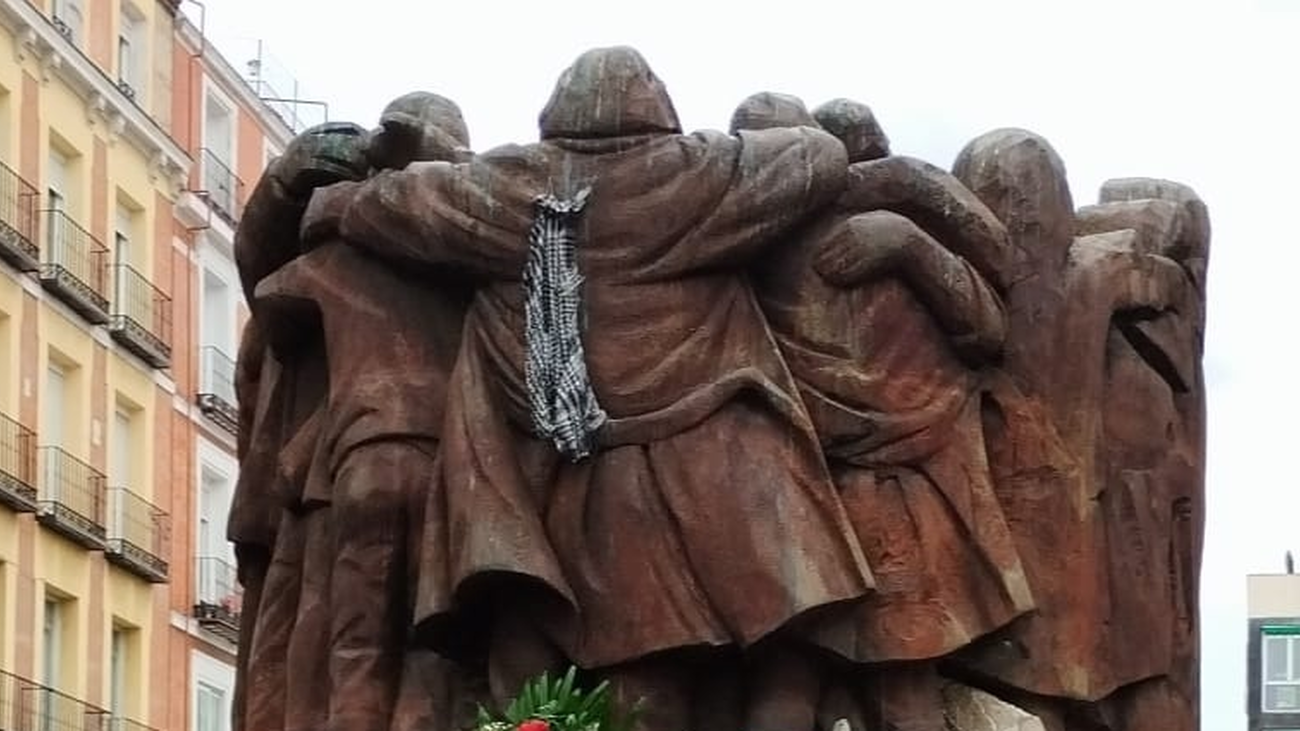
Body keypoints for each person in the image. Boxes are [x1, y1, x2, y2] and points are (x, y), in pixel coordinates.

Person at [302, 46, 875, 731]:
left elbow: (380, 206)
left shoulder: (504, 186)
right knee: (661, 673)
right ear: (654, 106)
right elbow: (817, 156)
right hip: (698, 477)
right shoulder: (700, 175)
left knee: (551, 673)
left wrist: (334, 194)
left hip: (543, 477)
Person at [734, 93, 1034, 731]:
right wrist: (912, 235)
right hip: (832, 494)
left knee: (817, 683)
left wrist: (908, 239)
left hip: (827, 498)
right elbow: (983, 324)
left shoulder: (749, 241)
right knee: (853, 685)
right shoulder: (754, 249)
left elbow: (984, 321)